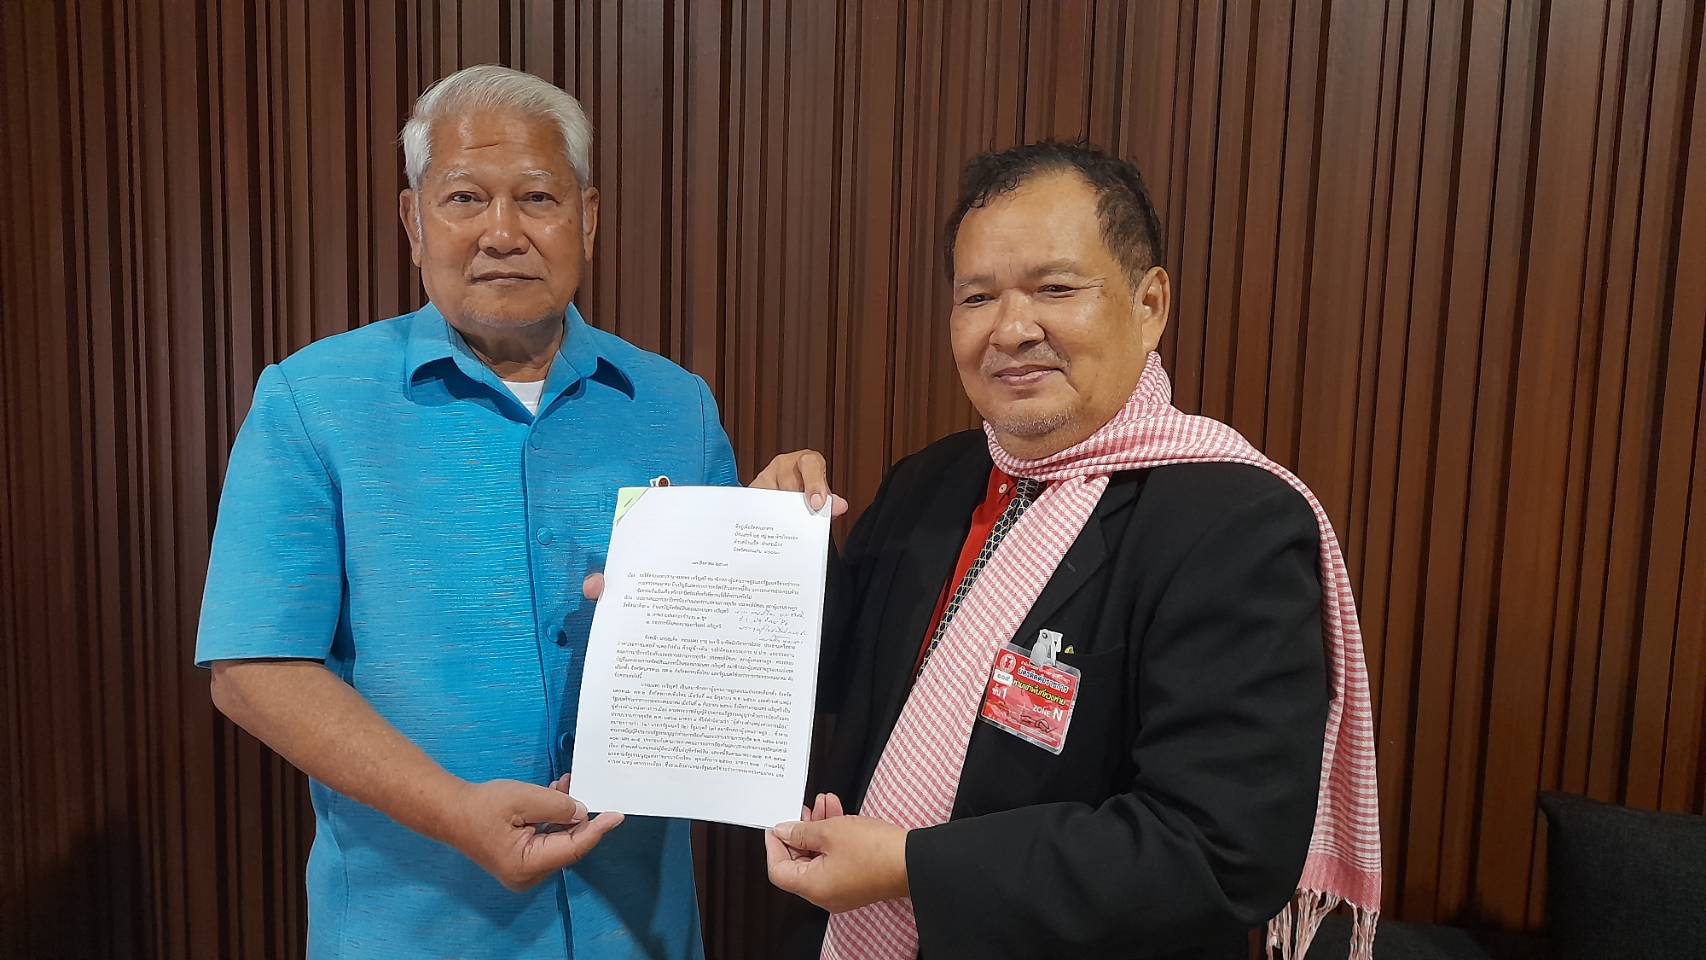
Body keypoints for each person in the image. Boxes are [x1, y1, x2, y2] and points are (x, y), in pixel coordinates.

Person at [751, 142, 1382, 960]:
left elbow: (1217, 851)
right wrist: (757, 561)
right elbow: (844, 678)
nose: (1012, 329)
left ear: (1149, 304)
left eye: (1055, 289)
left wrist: (912, 867)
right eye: (978, 296)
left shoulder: (1237, 524)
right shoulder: (931, 482)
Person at [197, 65, 736, 959]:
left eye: (538, 197)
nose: (502, 233)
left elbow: (723, 658)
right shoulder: (311, 400)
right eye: (464, 198)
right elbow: (253, 669)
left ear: (588, 219)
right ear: (414, 222)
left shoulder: (677, 406)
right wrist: (454, 812)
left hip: (638, 929)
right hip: (411, 931)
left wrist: (784, 547)